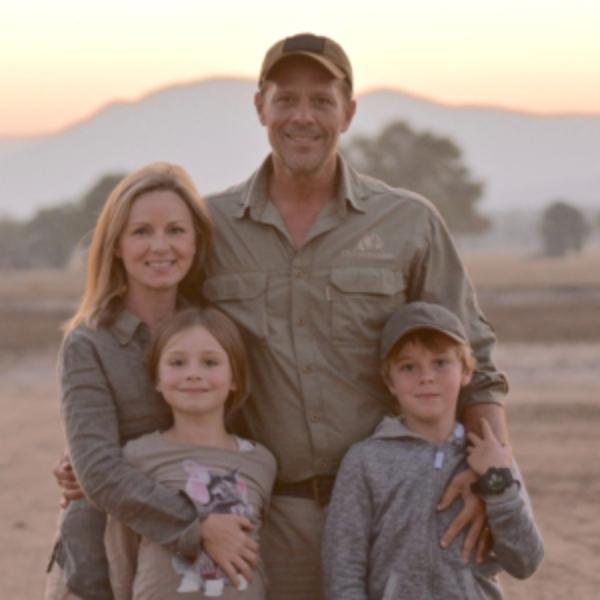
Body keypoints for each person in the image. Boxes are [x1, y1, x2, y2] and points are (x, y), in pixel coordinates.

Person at [201, 33, 510, 599]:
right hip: (263, 519)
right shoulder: (210, 228)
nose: (302, 116)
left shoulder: (408, 223)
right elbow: (160, 351)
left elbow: (476, 362)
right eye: (285, 98)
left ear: (348, 112)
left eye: (321, 100)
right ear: (259, 107)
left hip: (401, 515)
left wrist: (492, 478)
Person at [47, 163, 257, 600]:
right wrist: (196, 525)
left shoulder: (216, 331)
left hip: (198, 565)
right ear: (117, 246)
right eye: (141, 231)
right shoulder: (88, 343)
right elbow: (98, 470)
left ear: (196, 243)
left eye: (176, 231)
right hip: (101, 559)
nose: (160, 246)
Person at [322, 302, 543, 599]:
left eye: (440, 363)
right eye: (408, 367)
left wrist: (498, 481)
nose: (426, 377)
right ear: (390, 381)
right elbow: (343, 570)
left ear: (466, 371)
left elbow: (526, 561)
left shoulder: (491, 458)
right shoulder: (365, 461)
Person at [105, 307, 276, 599]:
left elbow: (262, 551)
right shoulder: (137, 456)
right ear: (157, 379)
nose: (194, 374)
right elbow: (121, 552)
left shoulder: (261, 461)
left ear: (235, 378)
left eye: (210, 363)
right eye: (177, 363)